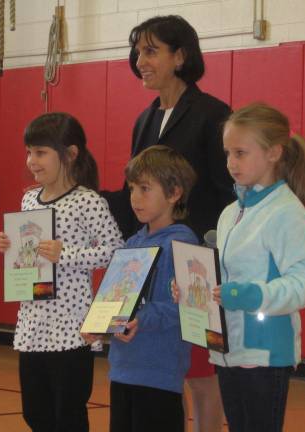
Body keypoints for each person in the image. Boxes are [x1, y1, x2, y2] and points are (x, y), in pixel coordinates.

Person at [102, 14, 233, 431]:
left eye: (151, 51)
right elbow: (133, 195)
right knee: (166, 381)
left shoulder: (213, 113)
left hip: (195, 267)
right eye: (138, 51)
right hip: (154, 266)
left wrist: (198, 253)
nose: (141, 60)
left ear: (181, 56)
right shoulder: (144, 120)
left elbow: (224, 192)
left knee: (201, 378)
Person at [0, 112, 124, 432]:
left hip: (71, 328)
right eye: (28, 151)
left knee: (67, 415)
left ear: (70, 154)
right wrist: (12, 247)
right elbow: (29, 255)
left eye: (40, 152)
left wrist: (66, 254)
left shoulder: (87, 202)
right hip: (32, 324)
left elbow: (116, 252)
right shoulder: (28, 199)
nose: (31, 161)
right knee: (35, 414)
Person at [211, 102, 305, 432]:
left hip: (264, 355)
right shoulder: (230, 212)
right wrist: (195, 291)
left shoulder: (286, 212)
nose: (231, 162)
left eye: (241, 153)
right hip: (227, 351)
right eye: (228, 153)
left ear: (274, 152)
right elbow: (225, 278)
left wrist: (252, 296)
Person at [100, 145, 198, 432]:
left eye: (145, 189)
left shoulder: (182, 245)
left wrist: (141, 319)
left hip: (158, 374)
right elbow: (117, 300)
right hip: (122, 370)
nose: (135, 198)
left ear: (174, 193)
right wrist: (101, 321)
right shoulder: (132, 244)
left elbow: (184, 308)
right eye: (132, 189)